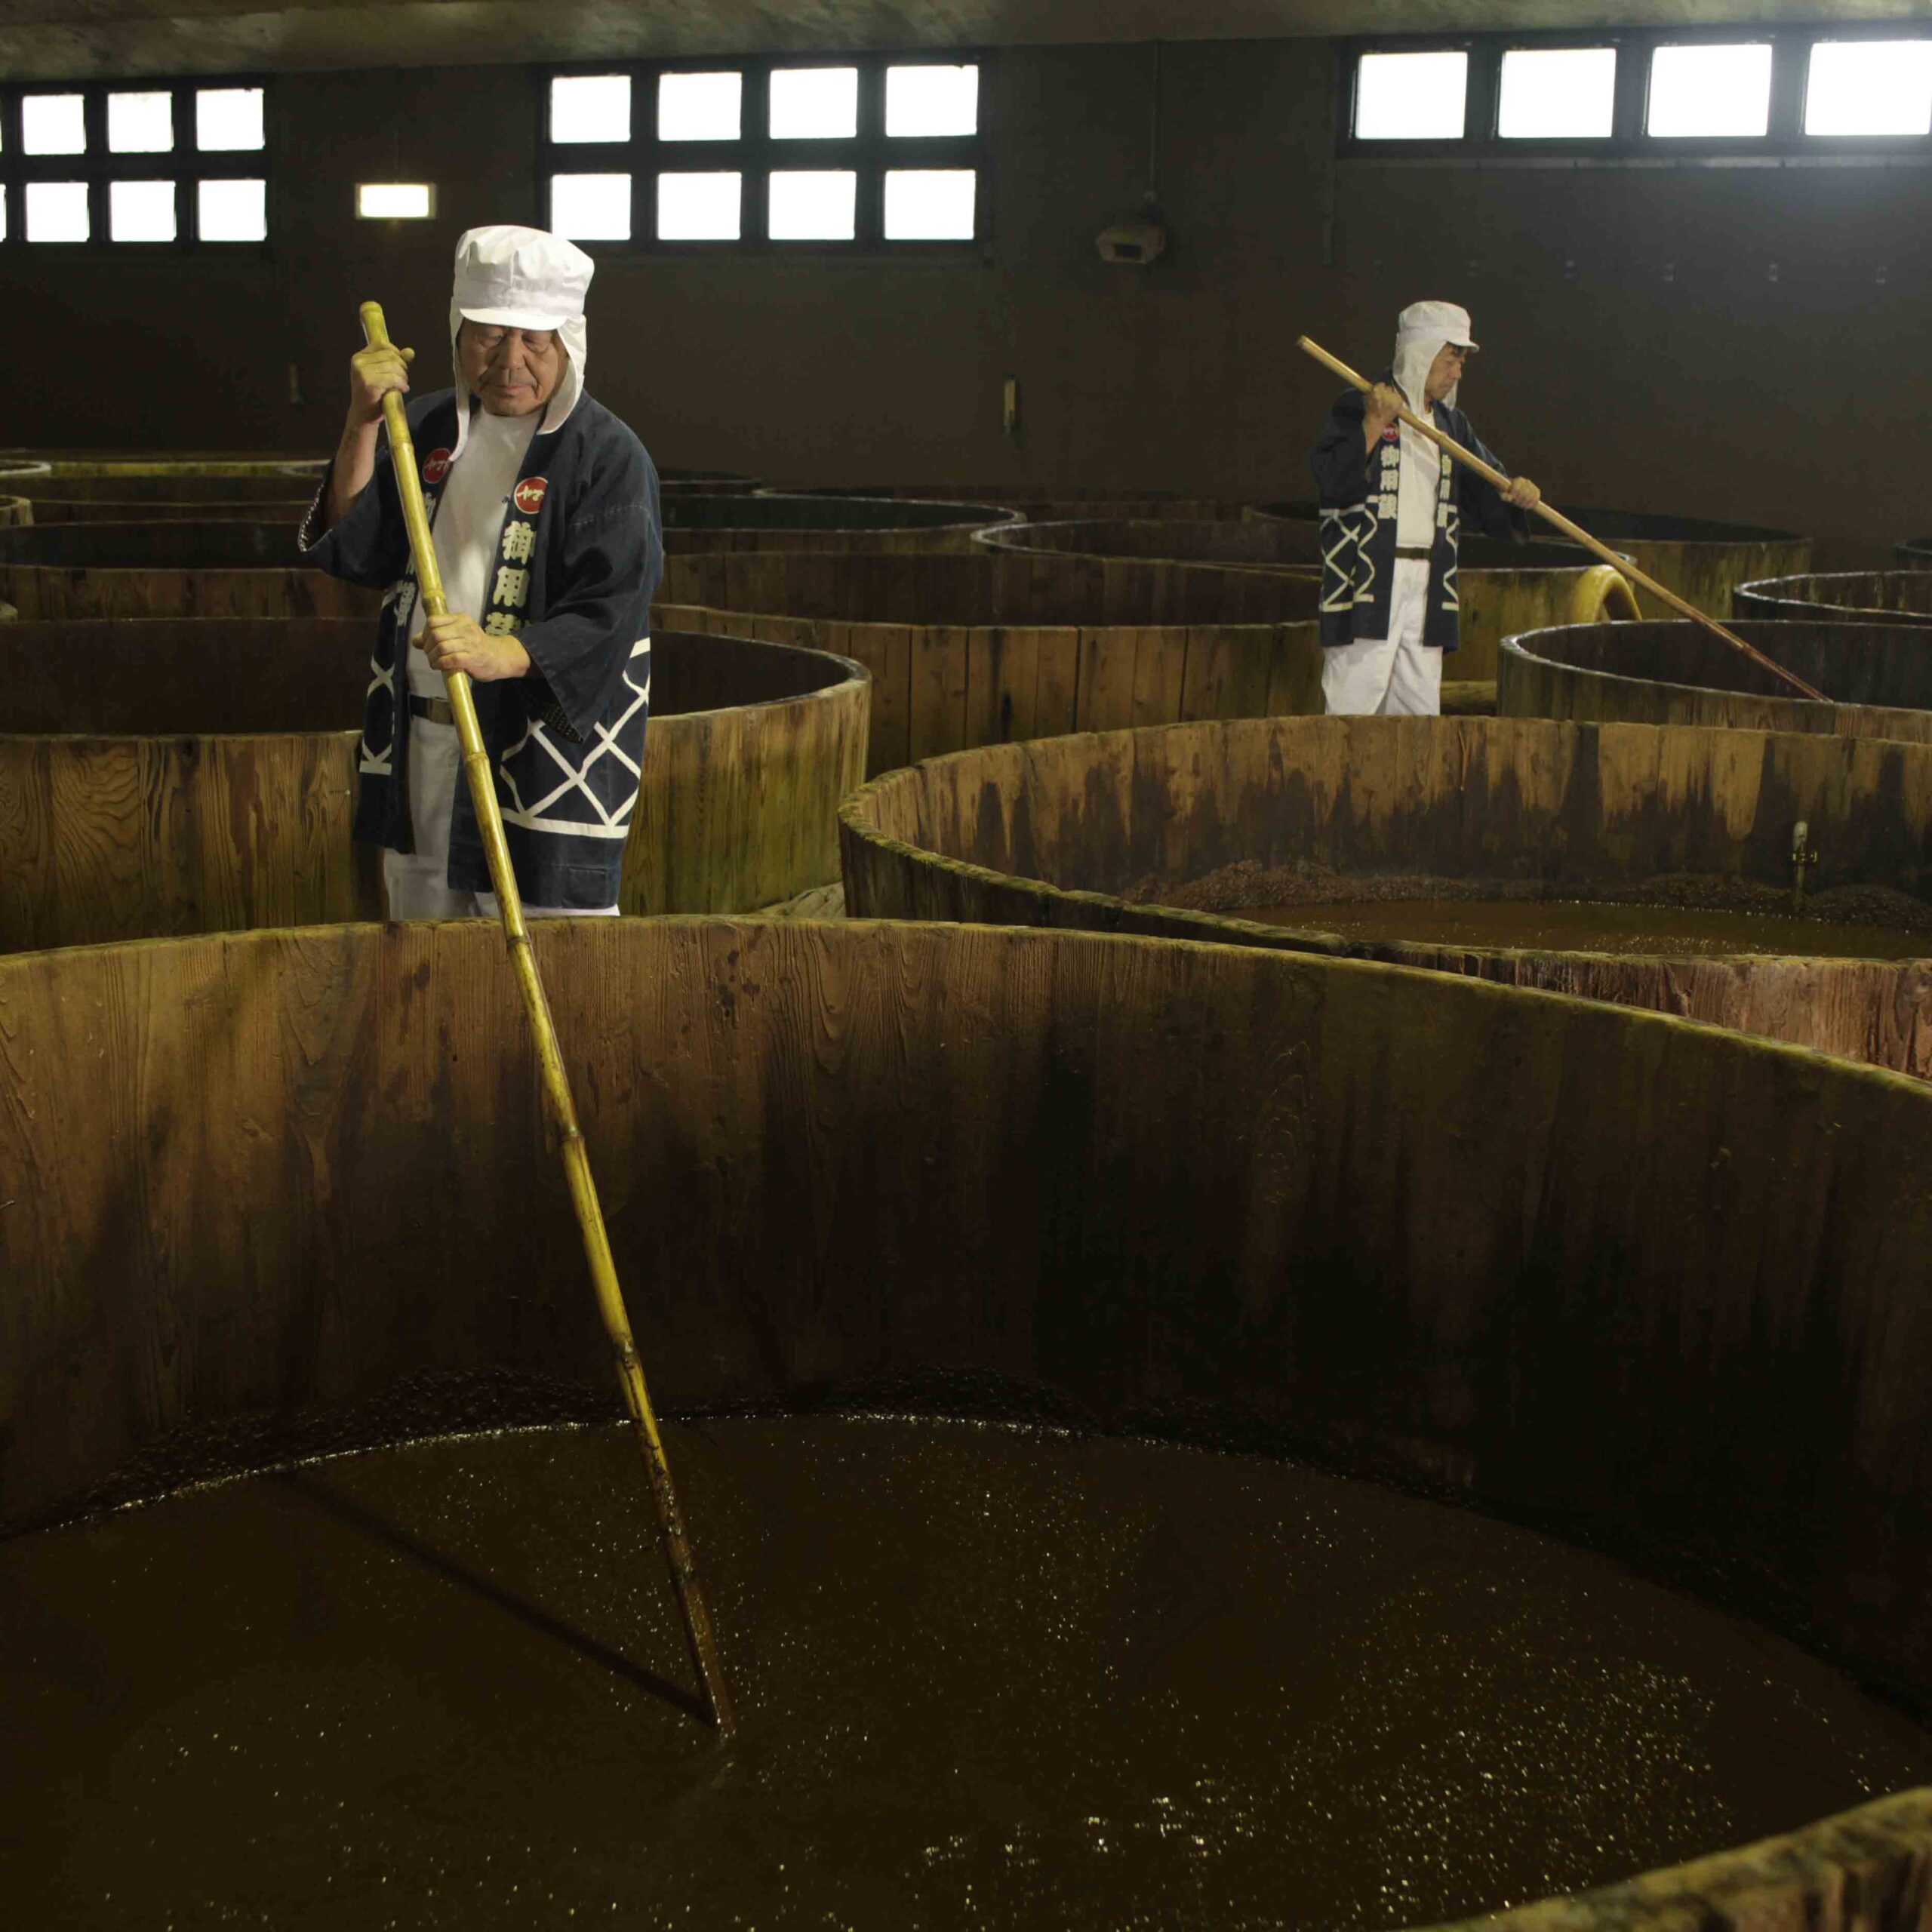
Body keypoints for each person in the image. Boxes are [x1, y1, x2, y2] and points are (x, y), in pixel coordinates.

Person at [303, 223, 661, 918]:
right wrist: (362, 422)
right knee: (424, 950)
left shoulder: (605, 455)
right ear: (458, 332)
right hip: (422, 739)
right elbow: (355, 546)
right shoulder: (425, 428)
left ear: (569, 343)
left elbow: (611, 608)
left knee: (555, 950)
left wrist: (502, 652)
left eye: (536, 339)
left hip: (542, 745)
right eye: (490, 335)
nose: (511, 360)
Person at [1309, 300, 1540, 718]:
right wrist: (1373, 426)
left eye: (1462, 363)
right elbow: (1331, 481)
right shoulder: (1360, 403)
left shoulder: (1452, 427)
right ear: (1422, 352)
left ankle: (1407, 785)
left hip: (1430, 580)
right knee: (1354, 702)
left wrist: (1516, 492)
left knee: (1418, 709)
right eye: (1452, 358)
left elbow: (1489, 486)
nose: (1457, 372)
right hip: (1371, 577)